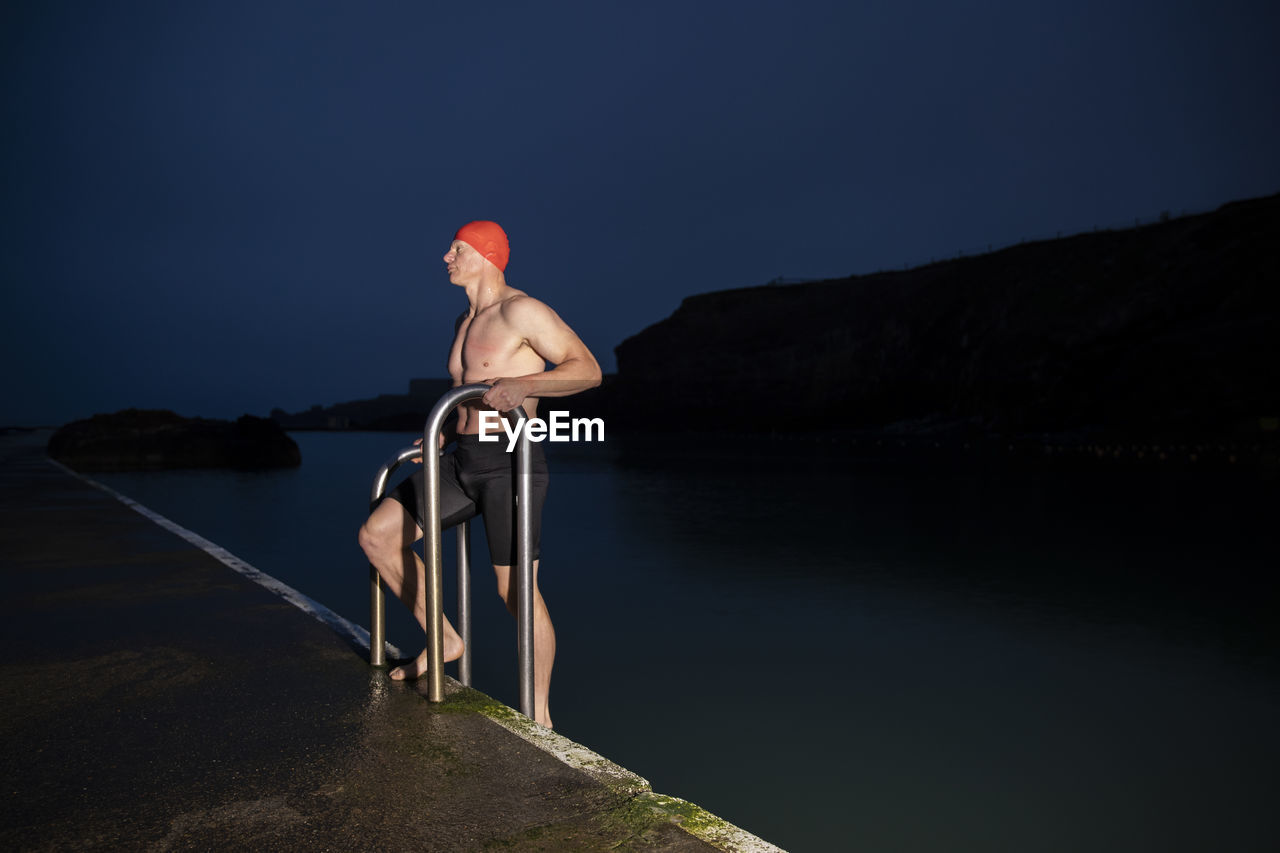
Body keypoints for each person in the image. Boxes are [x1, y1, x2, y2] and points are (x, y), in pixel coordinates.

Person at [358, 220, 600, 729]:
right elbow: (466, 388)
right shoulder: (463, 321)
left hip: (510, 461)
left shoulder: (522, 310)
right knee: (378, 535)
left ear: (486, 254)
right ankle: (443, 639)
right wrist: (443, 434)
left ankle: (540, 716)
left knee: (514, 591)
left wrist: (523, 383)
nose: (446, 257)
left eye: (456, 249)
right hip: (460, 459)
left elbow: (586, 369)